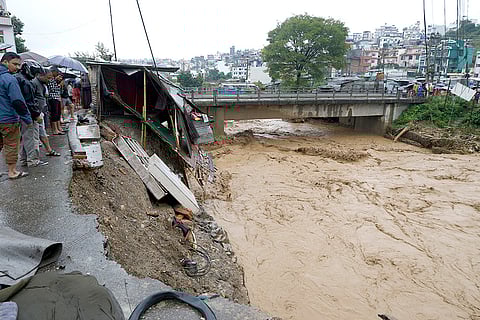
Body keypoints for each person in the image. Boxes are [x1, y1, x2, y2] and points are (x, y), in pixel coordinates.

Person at [0, 52, 32, 179]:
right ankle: (12, 171)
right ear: (5, 62)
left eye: (19, 65)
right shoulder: (9, 79)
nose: (18, 67)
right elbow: (18, 101)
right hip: (8, 119)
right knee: (12, 144)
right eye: (15, 64)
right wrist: (27, 119)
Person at [15, 59, 48, 167]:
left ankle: (25, 160)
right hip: (28, 114)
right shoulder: (26, 83)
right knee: (32, 138)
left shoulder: (17, 78)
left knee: (25, 138)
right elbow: (29, 102)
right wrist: (37, 114)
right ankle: (33, 160)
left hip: (20, 114)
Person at [31, 65, 61, 157]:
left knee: (42, 132)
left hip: (40, 112)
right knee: (33, 136)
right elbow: (31, 100)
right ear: (40, 75)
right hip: (34, 113)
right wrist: (36, 113)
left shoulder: (43, 84)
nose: (50, 79)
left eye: (51, 77)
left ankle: (49, 150)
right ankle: (32, 159)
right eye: (48, 77)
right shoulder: (34, 83)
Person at [46, 66, 64, 135]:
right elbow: (51, 90)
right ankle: (54, 130)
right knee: (54, 114)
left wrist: (59, 85)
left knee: (58, 114)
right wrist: (56, 82)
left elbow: (59, 91)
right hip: (52, 98)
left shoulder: (56, 81)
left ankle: (58, 128)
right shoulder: (50, 80)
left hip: (57, 98)